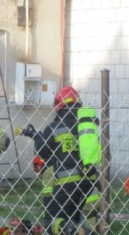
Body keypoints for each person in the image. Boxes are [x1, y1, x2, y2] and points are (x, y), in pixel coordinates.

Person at [34, 86, 99, 235]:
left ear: (60, 104)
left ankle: (75, 231)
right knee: (79, 217)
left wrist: (37, 137)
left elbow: (40, 150)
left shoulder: (55, 127)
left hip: (66, 183)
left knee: (52, 222)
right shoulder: (85, 124)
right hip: (91, 182)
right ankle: (83, 230)